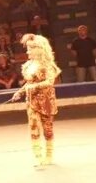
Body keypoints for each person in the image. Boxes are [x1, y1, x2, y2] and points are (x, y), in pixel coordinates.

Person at [11, 34, 61, 167]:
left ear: (39, 49)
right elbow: (29, 83)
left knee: (47, 128)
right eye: (27, 48)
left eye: (31, 48)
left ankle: (49, 155)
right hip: (32, 100)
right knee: (33, 126)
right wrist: (20, 92)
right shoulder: (28, 65)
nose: (28, 51)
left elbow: (49, 82)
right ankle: (37, 156)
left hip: (46, 101)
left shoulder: (48, 65)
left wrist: (33, 86)